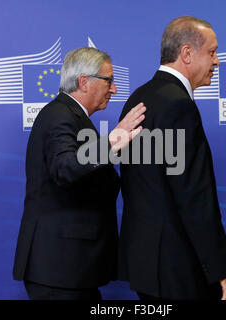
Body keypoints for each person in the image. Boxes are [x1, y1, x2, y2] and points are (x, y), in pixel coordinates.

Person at [118, 16, 226, 300]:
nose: (218, 61)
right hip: (179, 268)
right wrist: (222, 268)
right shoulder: (178, 105)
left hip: (146, 264)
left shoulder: (139, 96)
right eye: (212, 52)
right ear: (187, 53)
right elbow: (194, 197)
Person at [13, 47, 146, 300]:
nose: (114, 89)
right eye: (109, 81)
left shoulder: (72, 116)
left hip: (71, 269)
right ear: (84, 82)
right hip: (60, 269)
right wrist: (112, 141)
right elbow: (65, 168)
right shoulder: (59, 116)